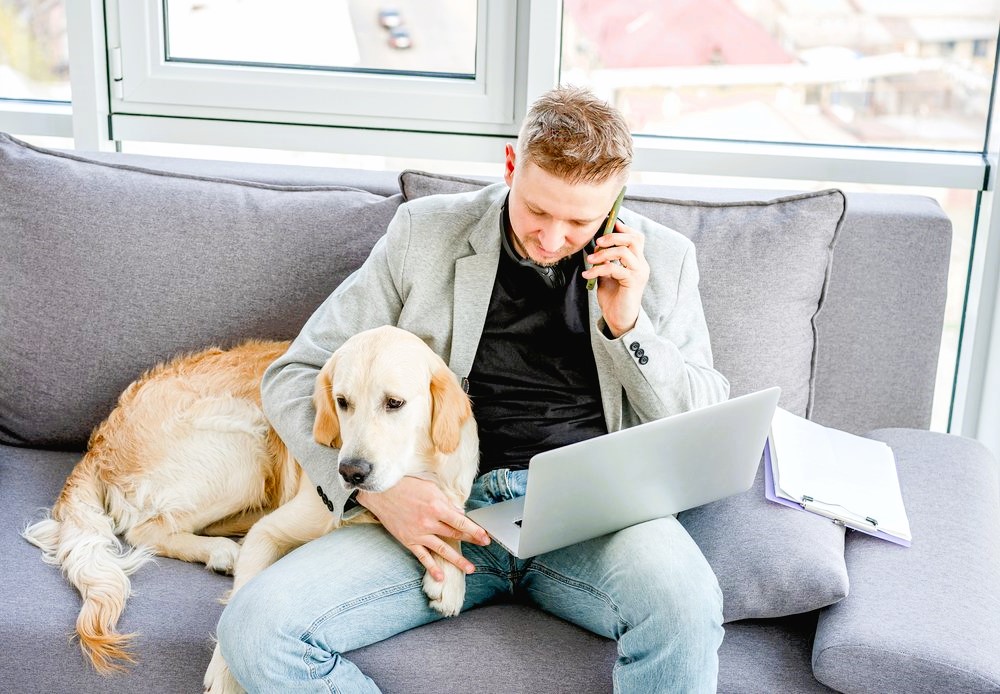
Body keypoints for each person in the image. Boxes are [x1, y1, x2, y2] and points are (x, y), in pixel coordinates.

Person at [216, 86, 730, 692]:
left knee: (688, 608)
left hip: (591, 511)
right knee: (255, 631)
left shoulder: (664, 261)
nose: (551, 237)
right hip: (438, 507)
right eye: (537, 210)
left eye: (580, 221)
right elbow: (295, 374)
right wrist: (378, 496)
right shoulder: (423, 233)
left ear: (617, 199)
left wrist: (629, 325)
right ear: (511, 166)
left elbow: (704, 421)